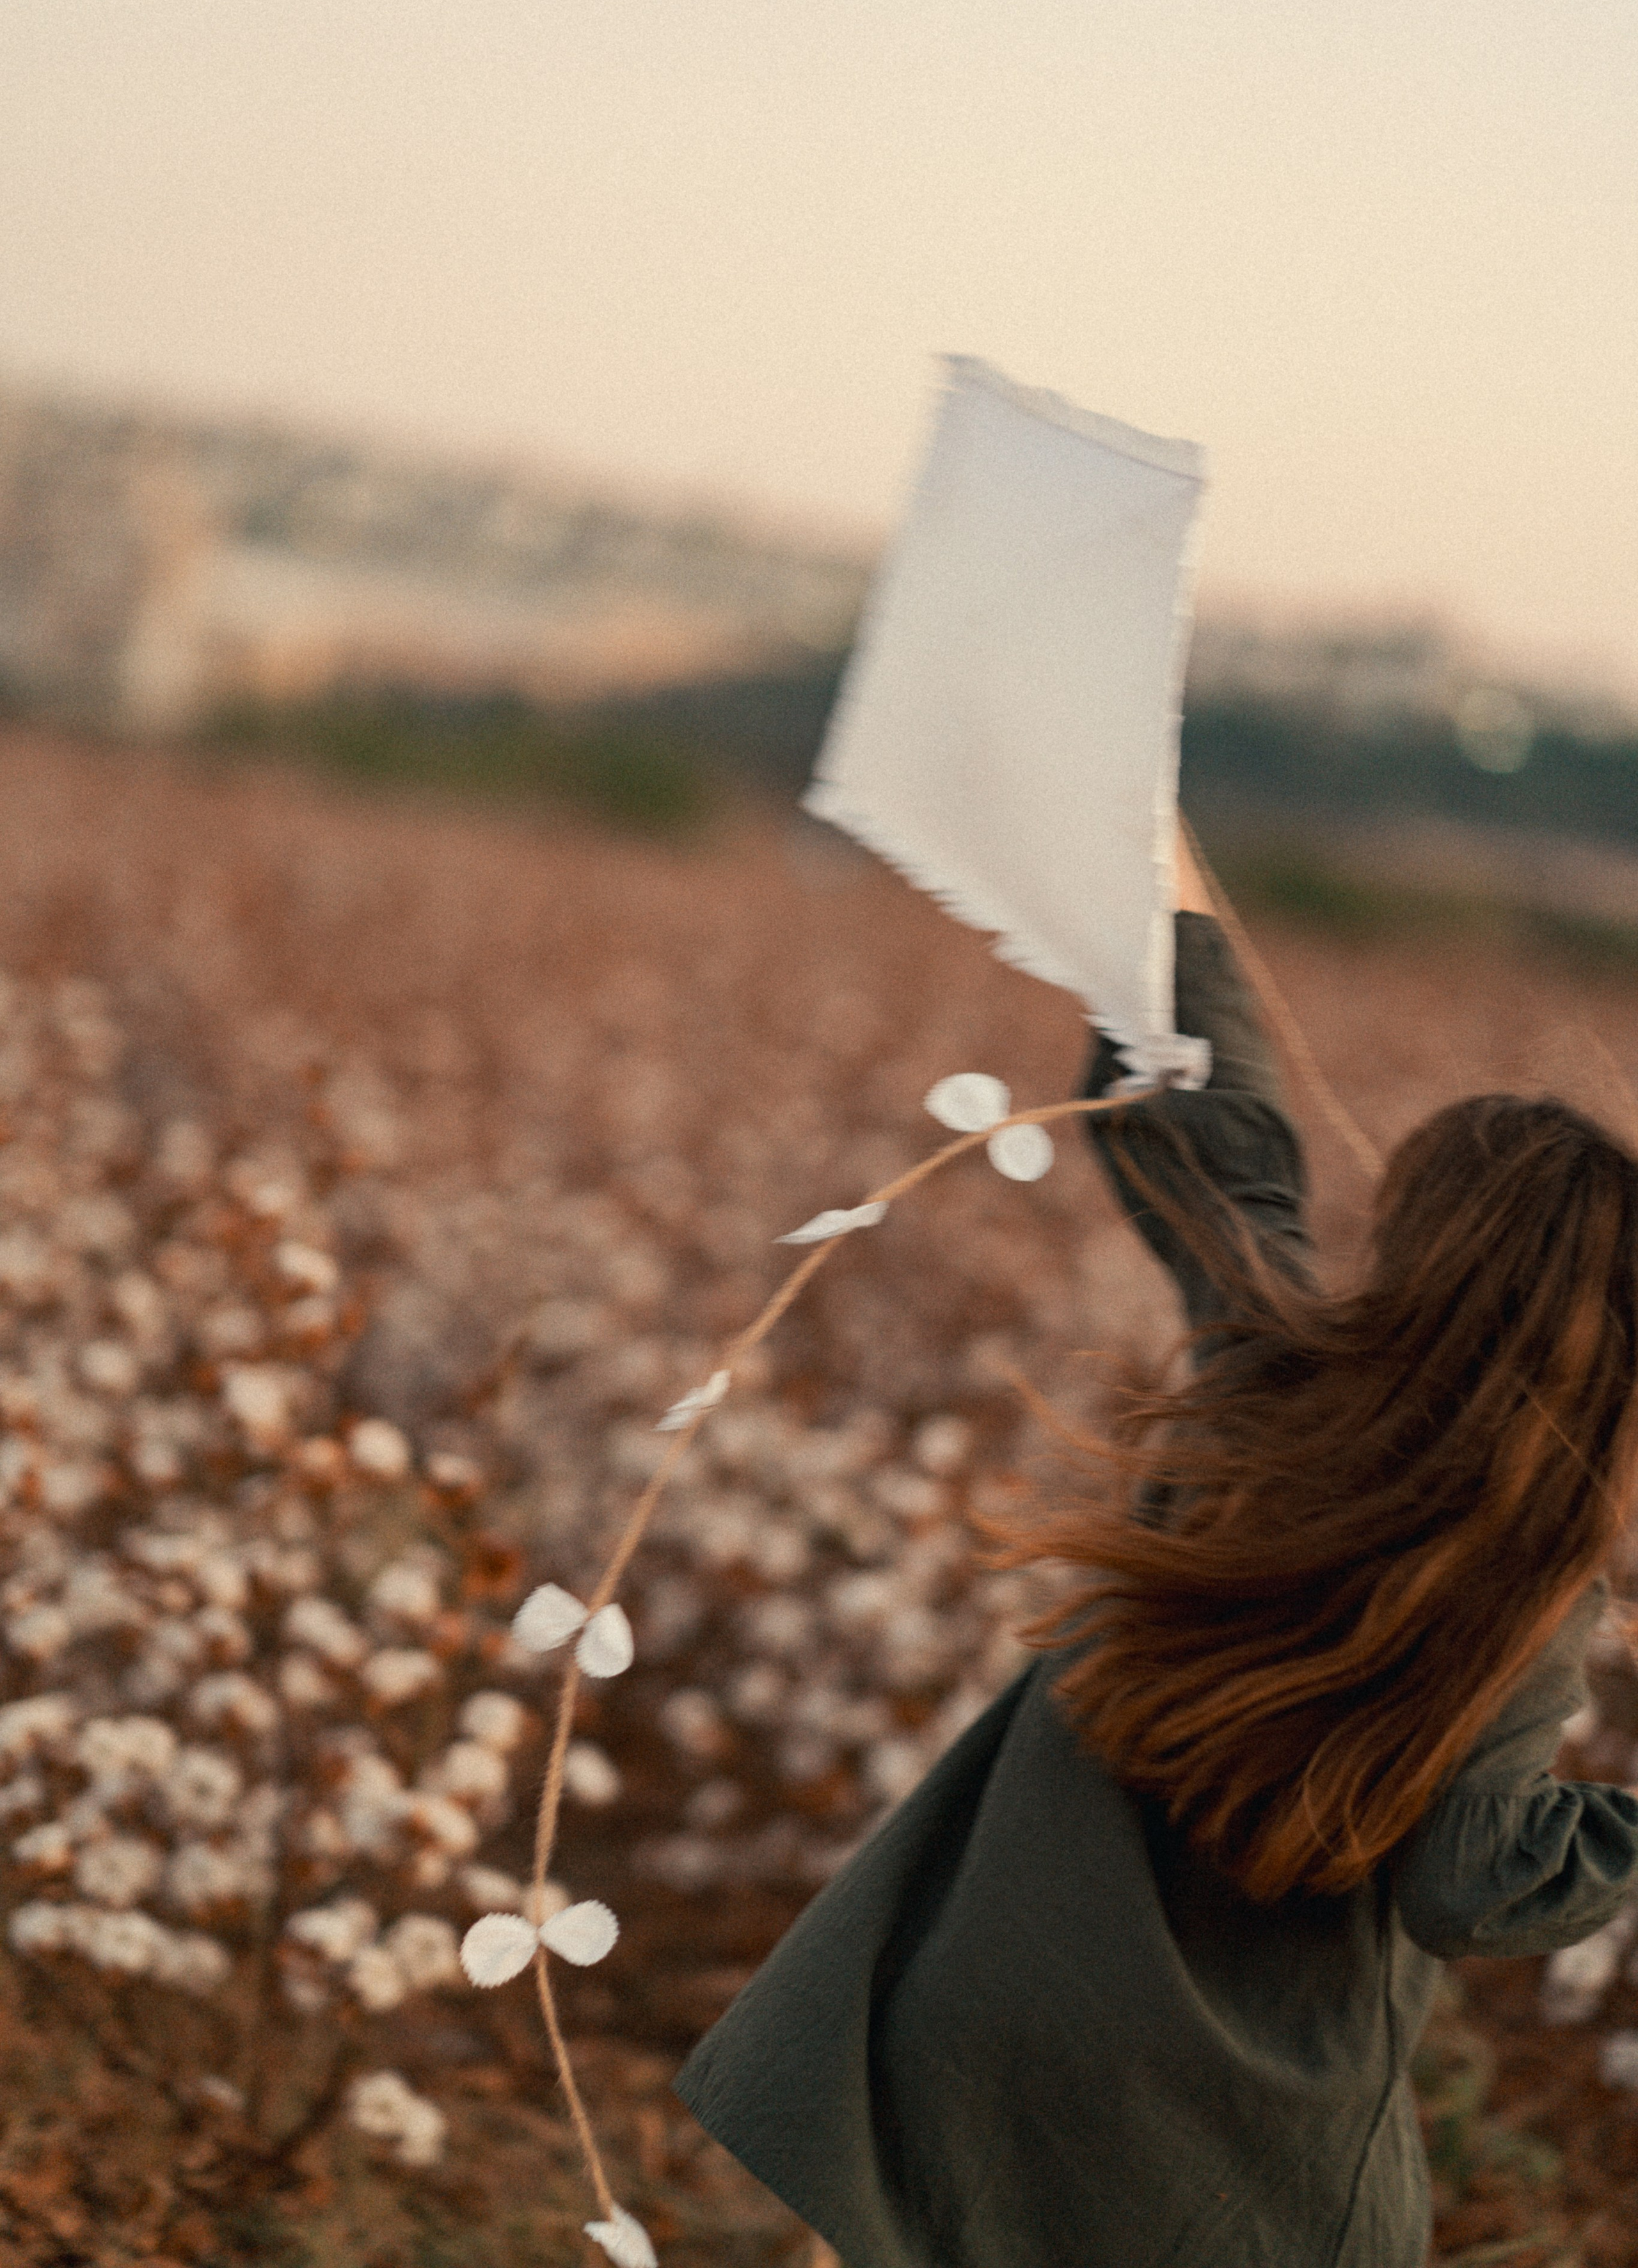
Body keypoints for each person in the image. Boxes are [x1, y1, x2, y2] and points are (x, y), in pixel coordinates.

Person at [674, 850, 1638, 2267]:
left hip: (984, 2021)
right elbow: (1467, 1880)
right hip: (1231, 2153)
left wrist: (1163, 885)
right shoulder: (1521, 1582)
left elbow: (1220, 1146)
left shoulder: (1262, 1379)